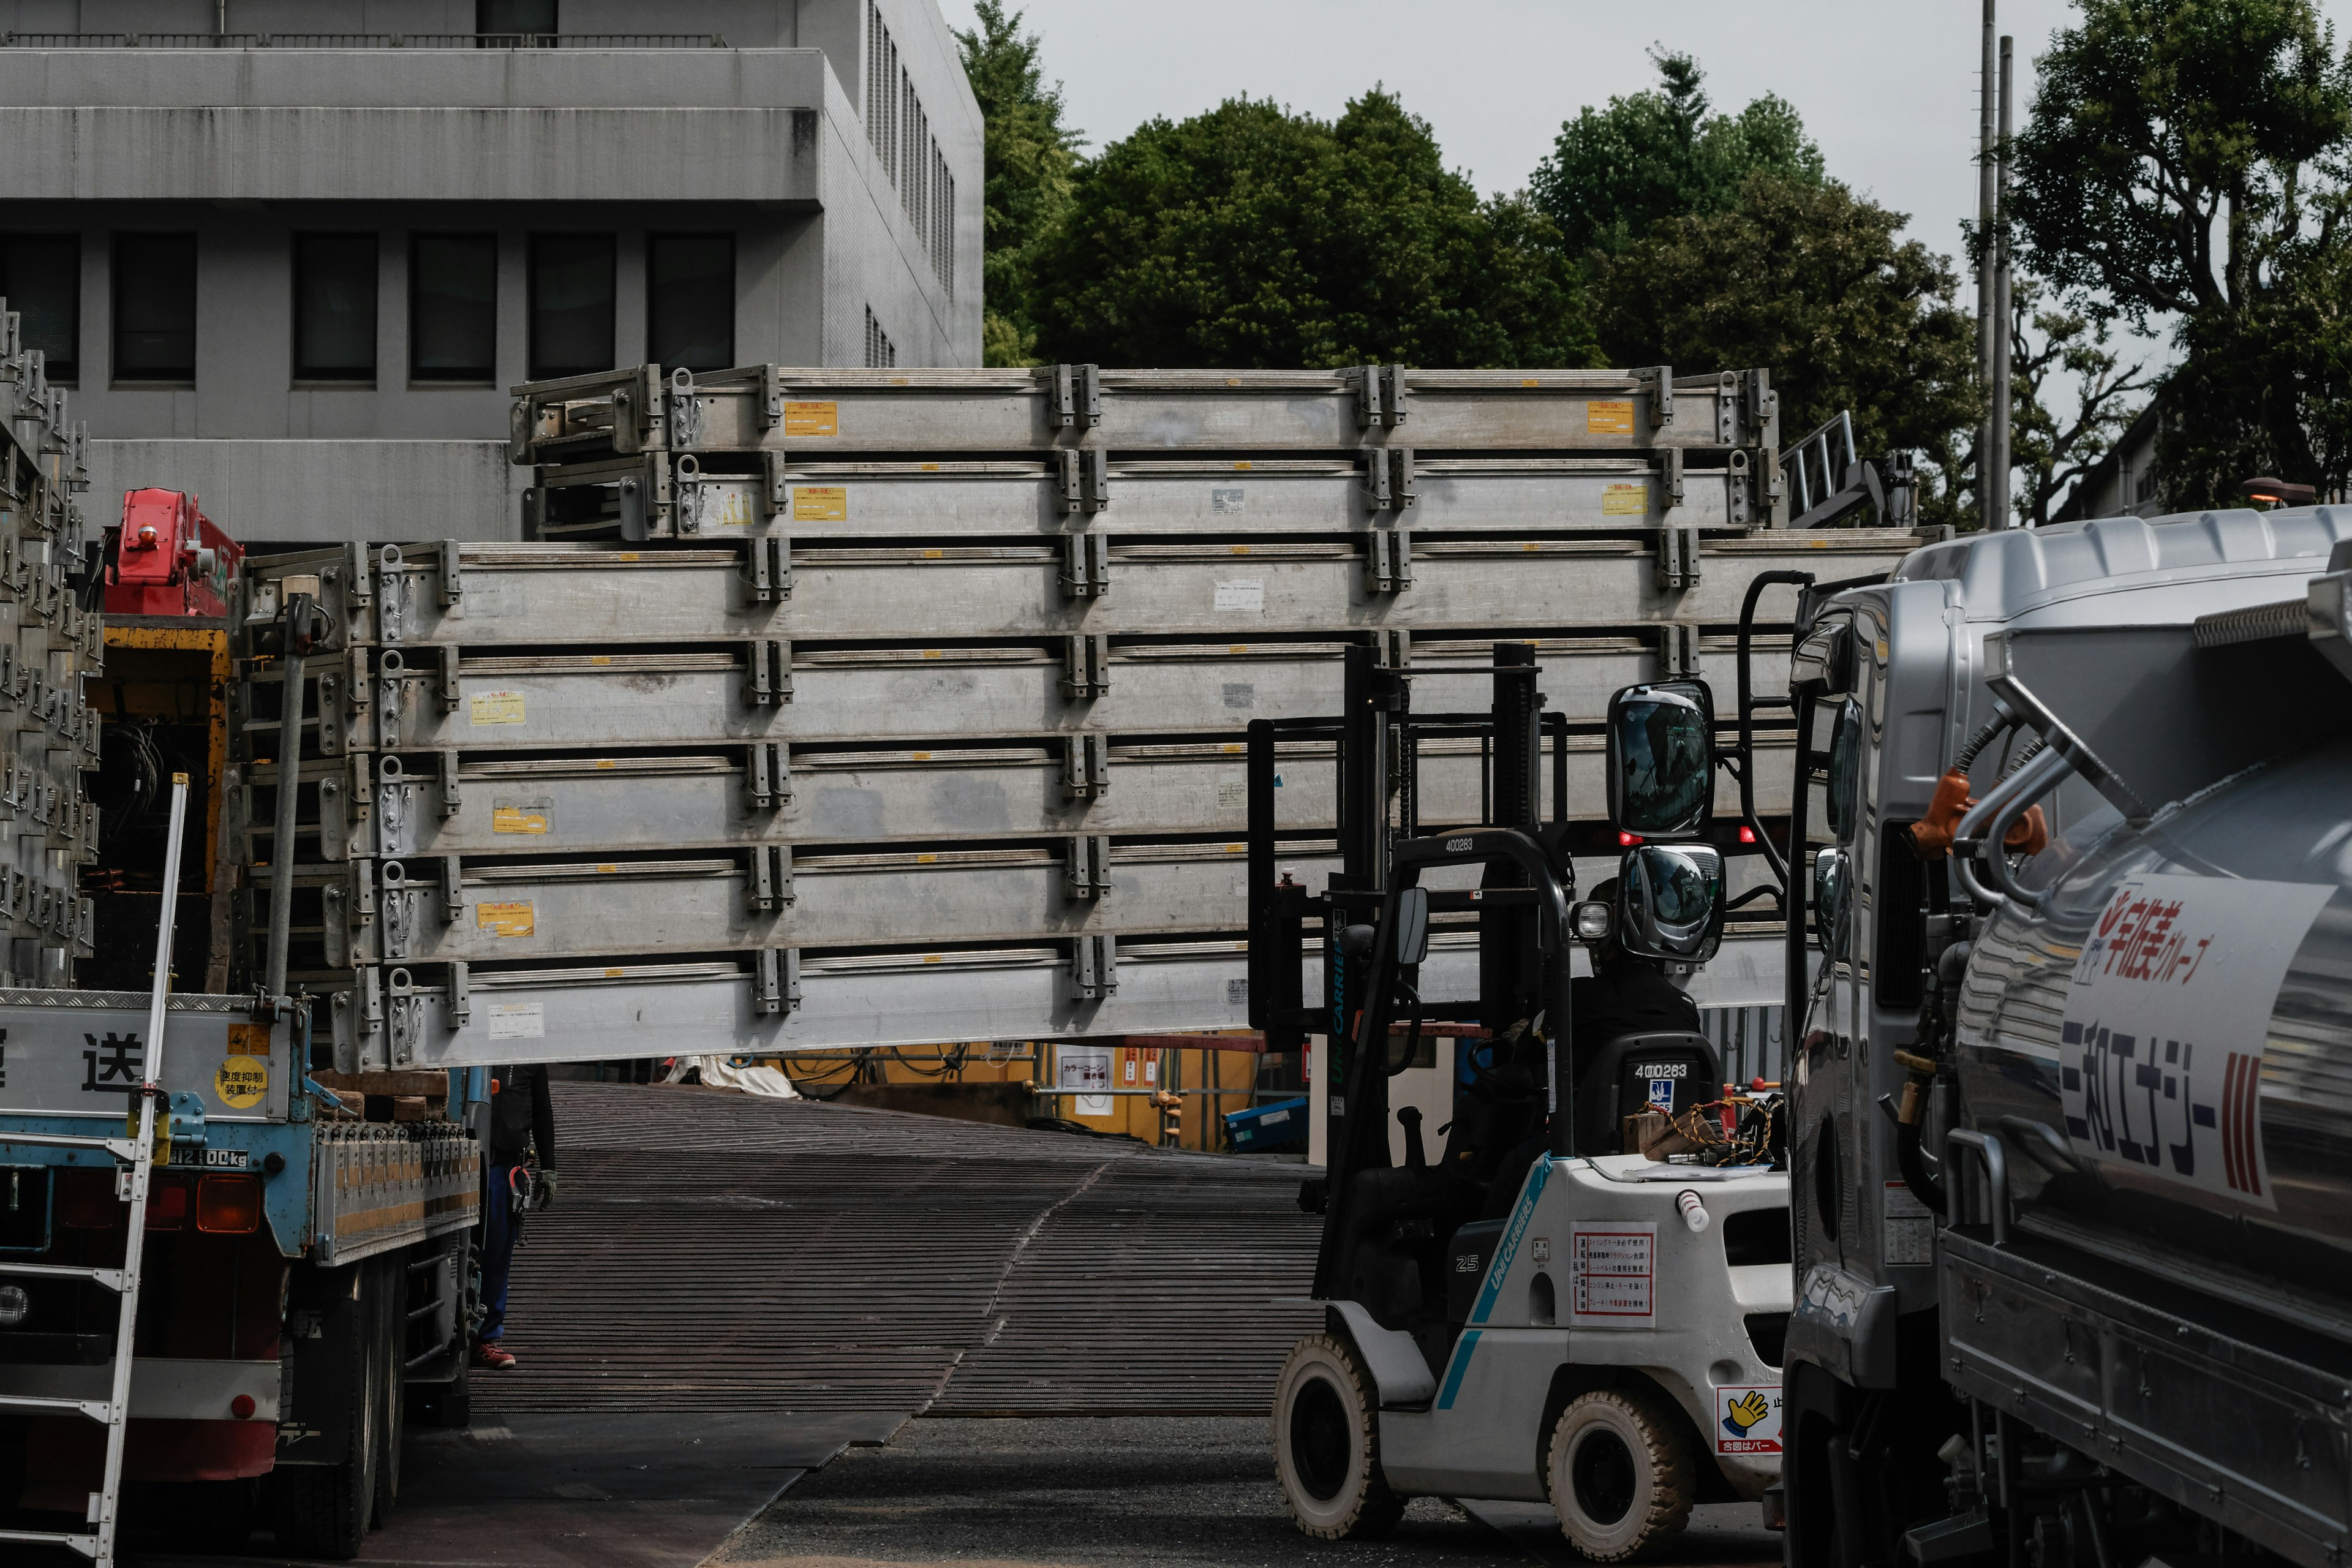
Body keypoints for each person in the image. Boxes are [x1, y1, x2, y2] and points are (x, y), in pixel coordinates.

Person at [475, 1064, 557, 1371]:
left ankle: (484, 1337)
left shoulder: (530, 1058)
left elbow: (541, 1109)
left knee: (496, 1254)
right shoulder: (472, 1042)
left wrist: (549, 1165)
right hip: (465, 1160)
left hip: (504, 1168)